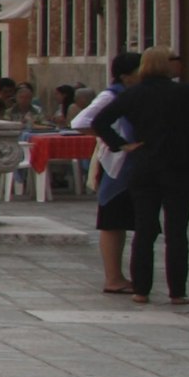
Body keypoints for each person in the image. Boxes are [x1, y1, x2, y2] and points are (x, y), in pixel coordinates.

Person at [111, 50, 189, 305]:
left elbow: (102, 120)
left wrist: (123, 144)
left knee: (144, 230)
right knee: (177, 231)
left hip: (144, 164)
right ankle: (177, 292)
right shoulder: (183, 92)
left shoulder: (133, 94)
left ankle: (141, 290)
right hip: (177, 166)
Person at [76, 52, 141, 295]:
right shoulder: (111, 95)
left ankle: (120, 276)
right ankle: (113, 277)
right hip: (116, 165)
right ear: (126, 75)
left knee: (121, 221)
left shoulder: (132, 94)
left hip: (129, 165)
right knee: (112, 220)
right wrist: (117, 141)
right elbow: (81, 122)